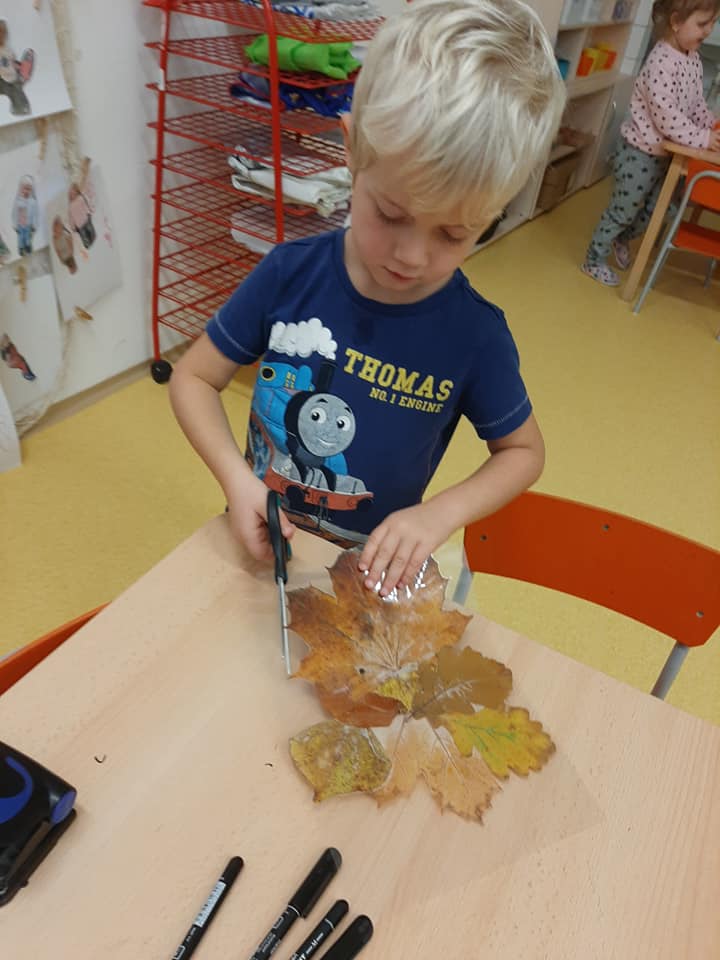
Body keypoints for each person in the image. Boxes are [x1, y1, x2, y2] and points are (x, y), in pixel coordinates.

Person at [169, 0, 565, 597]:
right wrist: (235, 478)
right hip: (261, 545)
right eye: (391, 214)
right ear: (352, 149)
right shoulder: (288, 274)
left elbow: (523, 453)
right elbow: (194, 379)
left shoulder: (475, 336)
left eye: (454, 234)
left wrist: (437, 516)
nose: (412, 256)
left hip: (366, 579)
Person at [582, 0, 720, 286]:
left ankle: (622, 239)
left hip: (667, 156)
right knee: (623, 211)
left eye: (713, 23)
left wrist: (711, 125)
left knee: (662, 210)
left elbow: (696, 105)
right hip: (639, 153)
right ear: (676, 22)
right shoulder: (660, 62)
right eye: (702, 24)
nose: (708, 30)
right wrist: (703, 138)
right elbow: (667, 117)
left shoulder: (692, 59)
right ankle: (593, 260)